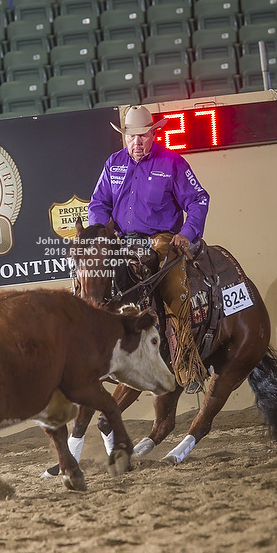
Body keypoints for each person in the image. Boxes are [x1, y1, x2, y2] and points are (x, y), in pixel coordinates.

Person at [88, 105, 210, 393]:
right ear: (124, 136)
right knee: (93, 284)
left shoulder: (172, 163)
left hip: (161, 239)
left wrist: (186, 234)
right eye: (131, 136)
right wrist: (101, 233)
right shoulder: (113, 164)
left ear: (154, 134)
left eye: (143, 135)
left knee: (175, 290)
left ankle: (187, 363)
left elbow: (198, 199)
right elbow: (98, 203)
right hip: (121, 239)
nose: (137, 142)